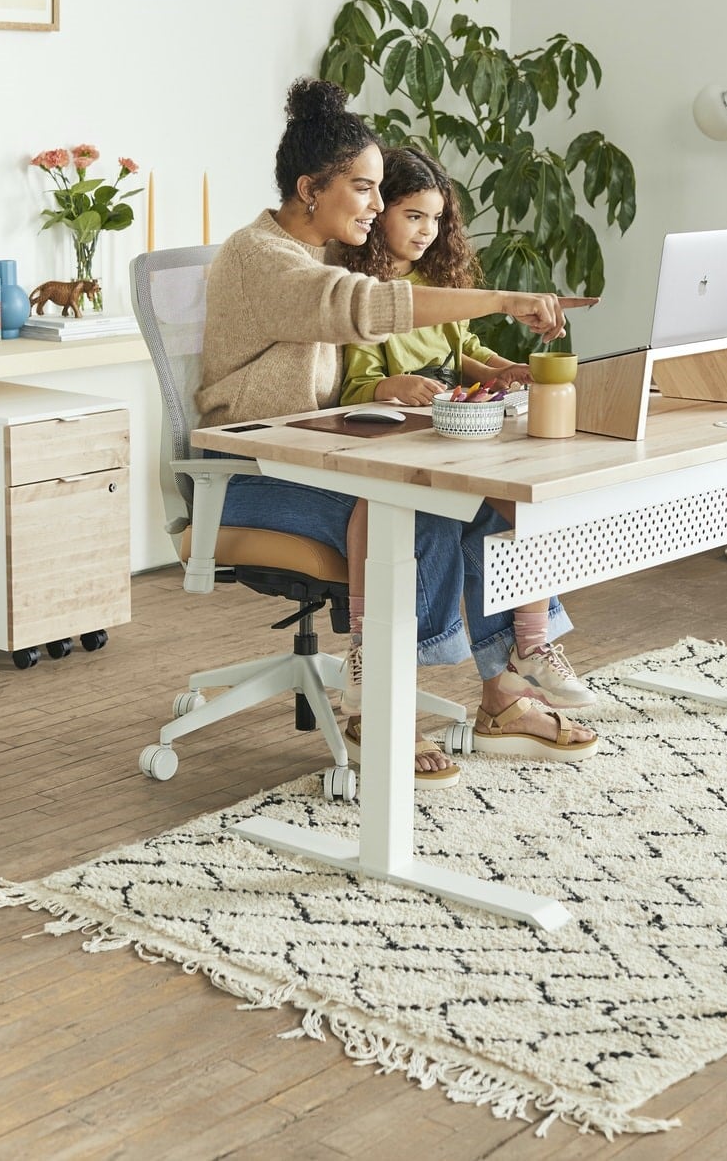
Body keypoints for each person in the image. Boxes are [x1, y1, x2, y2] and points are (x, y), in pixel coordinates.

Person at [197, 78, 598, 787]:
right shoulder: (263, 258)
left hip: (317, 453)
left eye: (383, 191)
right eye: (364, 188)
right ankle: (374, 699)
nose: (379, 208)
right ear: (309, 187)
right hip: (249, 474)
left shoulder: (321, 252)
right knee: (415, 504)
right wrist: (506, 298)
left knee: (481, 498)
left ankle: (506, 692)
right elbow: (368, 308)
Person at [336, 145, 596, 721]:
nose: (427, 232)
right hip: (393, 441)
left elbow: (463, 353)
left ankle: (530, 645)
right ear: (378, 213)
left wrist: (503, 371)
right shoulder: (357, 291)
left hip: (452, 432)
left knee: (524, 501)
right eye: (412, 216)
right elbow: (351, 388)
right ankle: (369, 652)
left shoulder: (438, 282)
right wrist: (389, 386)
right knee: (401, 507)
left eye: (435, 219)